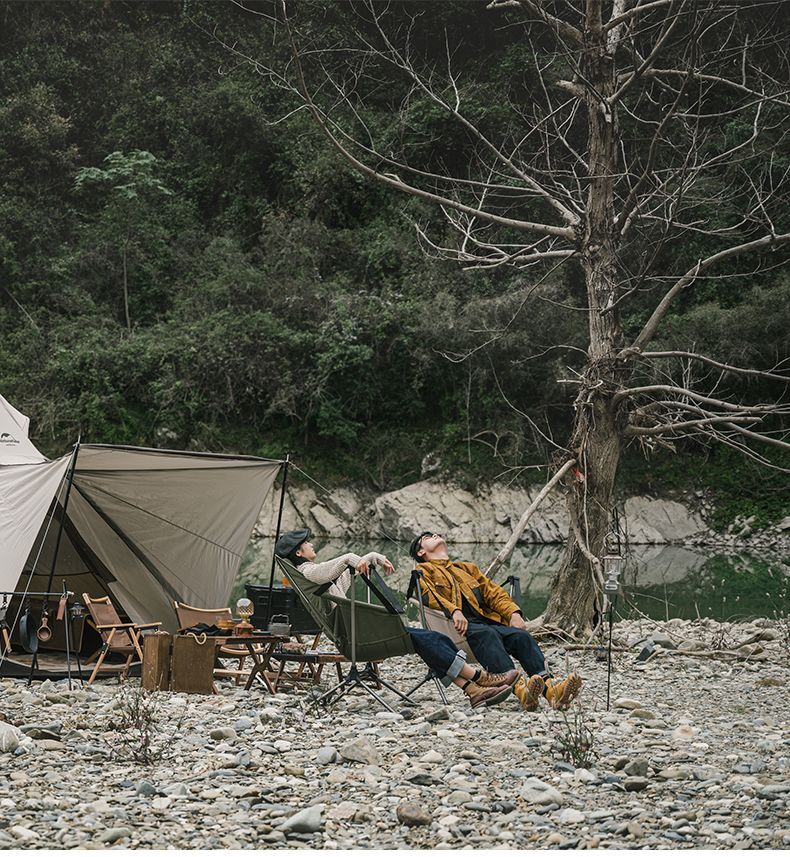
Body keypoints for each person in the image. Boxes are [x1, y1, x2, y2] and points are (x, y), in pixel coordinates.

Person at [274, 529, 521, 709]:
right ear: (299, 552)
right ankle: (479, 677)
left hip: (354, 634)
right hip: (357, 639)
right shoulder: (308, 571)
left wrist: (371, 557)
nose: (312, 544)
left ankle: (473, 690)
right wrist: (351, 557)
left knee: (429, 640)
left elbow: (342, 579)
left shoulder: (314, 578)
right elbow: (330, 570)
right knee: (429, 639)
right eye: (308, 543)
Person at [410, 531, 582, 711]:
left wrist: (513, 613)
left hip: (485, 624)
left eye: (436, 533)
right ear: (421, 552)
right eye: (428, 536)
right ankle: (521, 689)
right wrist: (454, 610)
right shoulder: (422, 571)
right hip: (456, 630)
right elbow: (429, 596)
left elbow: (494, 594)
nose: (436, 535)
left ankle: (551, 689)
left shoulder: (467, 569)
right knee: (488, 634)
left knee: (520, 636)